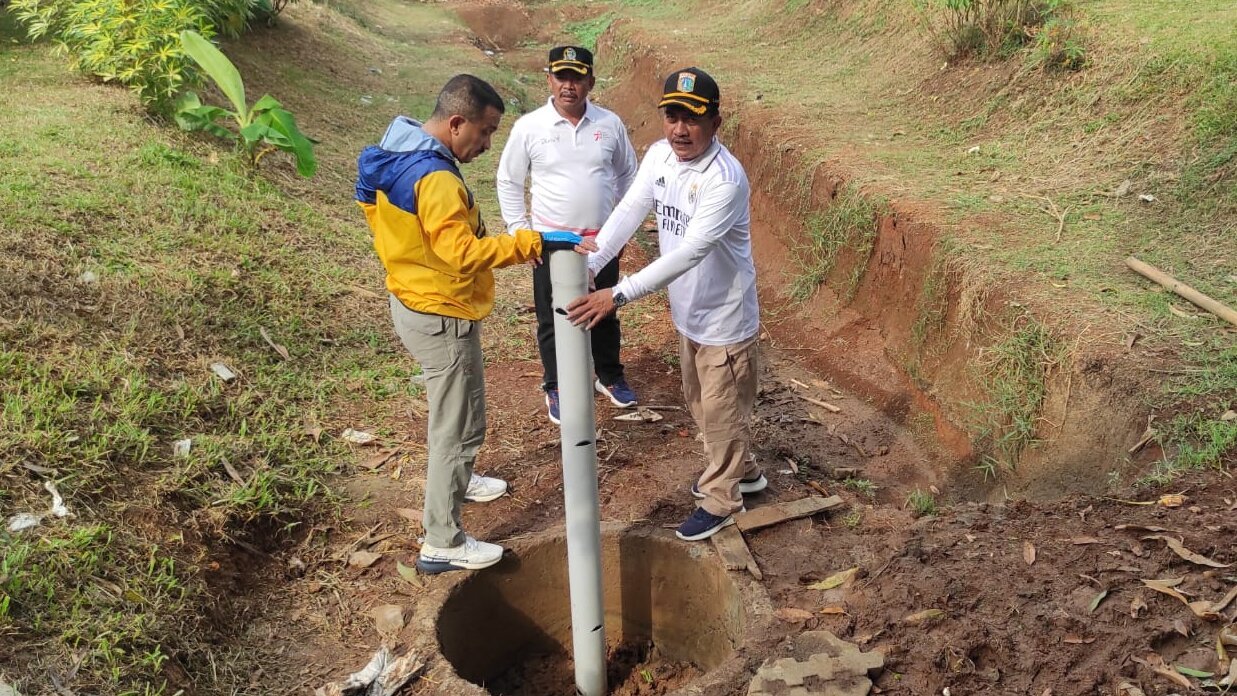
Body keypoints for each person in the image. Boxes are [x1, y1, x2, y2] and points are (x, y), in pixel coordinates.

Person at [356, 75, 584, 572]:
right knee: (456, 428)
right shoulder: (436, 179)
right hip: (441, 313)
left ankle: (460, 479)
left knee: (459, 416)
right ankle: (442, 540)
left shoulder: (400, 146)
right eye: (484, 133)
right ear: (456, 122)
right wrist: (534, 242)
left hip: (414, 295)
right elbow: (462, 254)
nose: (484, 145)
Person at [567, 67, 765, 542]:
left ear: (715, 123)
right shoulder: (659, 157)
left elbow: (691, 251)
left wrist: (617, 294)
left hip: (725, 318)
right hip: (689, 312)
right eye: (672, 116)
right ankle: (745, 470)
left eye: (692, 119)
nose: (680, 129)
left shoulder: (725, 179)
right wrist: (594, 262)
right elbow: (630, 211)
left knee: (719, 407)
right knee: (704, 405)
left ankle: (723, 496)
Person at [496, 45, 640, 425]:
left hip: (600, 240)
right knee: (552, 316)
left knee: (605, 310)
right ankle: (556, 384)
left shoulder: (609, 124)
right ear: (549, 80)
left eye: (577, 78)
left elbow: (629, 176)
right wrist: (519, 233)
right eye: (562, 77)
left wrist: (620, 227)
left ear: (590, 81)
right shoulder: (529, 127)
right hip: (551, 242)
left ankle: (609, 375)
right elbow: (509, 180)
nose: (569, 86)